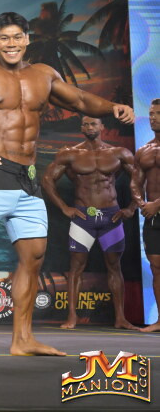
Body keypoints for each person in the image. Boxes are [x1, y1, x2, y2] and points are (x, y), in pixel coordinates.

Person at [0, 12, 134, 356]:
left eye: (17, 37)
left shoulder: (43, 74)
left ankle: (22, 339)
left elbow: (79, 100)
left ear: (27, 39)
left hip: (28, 180)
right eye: (4, 38)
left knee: (33, 258)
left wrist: (113, 107)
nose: (11, 44)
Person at [41, 116, 137, 330]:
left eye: (93, 123)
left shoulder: (119, 153)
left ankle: (120, 318)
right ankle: (72, 317)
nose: (89, 127)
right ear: (81, 128)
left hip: (111, 216)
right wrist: (64, 207)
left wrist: (131, 207)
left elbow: (139, 179)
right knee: (76, 267)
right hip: (83, 217)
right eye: (85, 124)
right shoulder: (70, 153)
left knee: (115, 266)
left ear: (102, 127)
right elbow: (47, 180)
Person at [132, 98, 160, 332]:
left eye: (158, 114)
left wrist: (157, 204)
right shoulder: (144, 150)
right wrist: (142, 203)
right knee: (156, 266)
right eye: (151, 114)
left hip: (155, 209)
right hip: (152, 217)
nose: (153, 118)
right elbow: (135, 182)